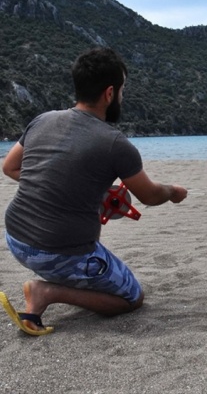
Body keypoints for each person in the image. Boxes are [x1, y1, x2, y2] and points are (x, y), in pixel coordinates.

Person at [0, 47, 188, 336]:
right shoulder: (115, 143)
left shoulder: (43, 119)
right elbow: (149, 196)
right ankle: (45, 292)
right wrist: (173, 191)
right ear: (110, 93)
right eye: (123, 90)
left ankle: (53, 284)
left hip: (15, 237)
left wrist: (65, 187)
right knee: (131, 299)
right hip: (57, 252)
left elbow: (10, 168)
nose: (122, 97)